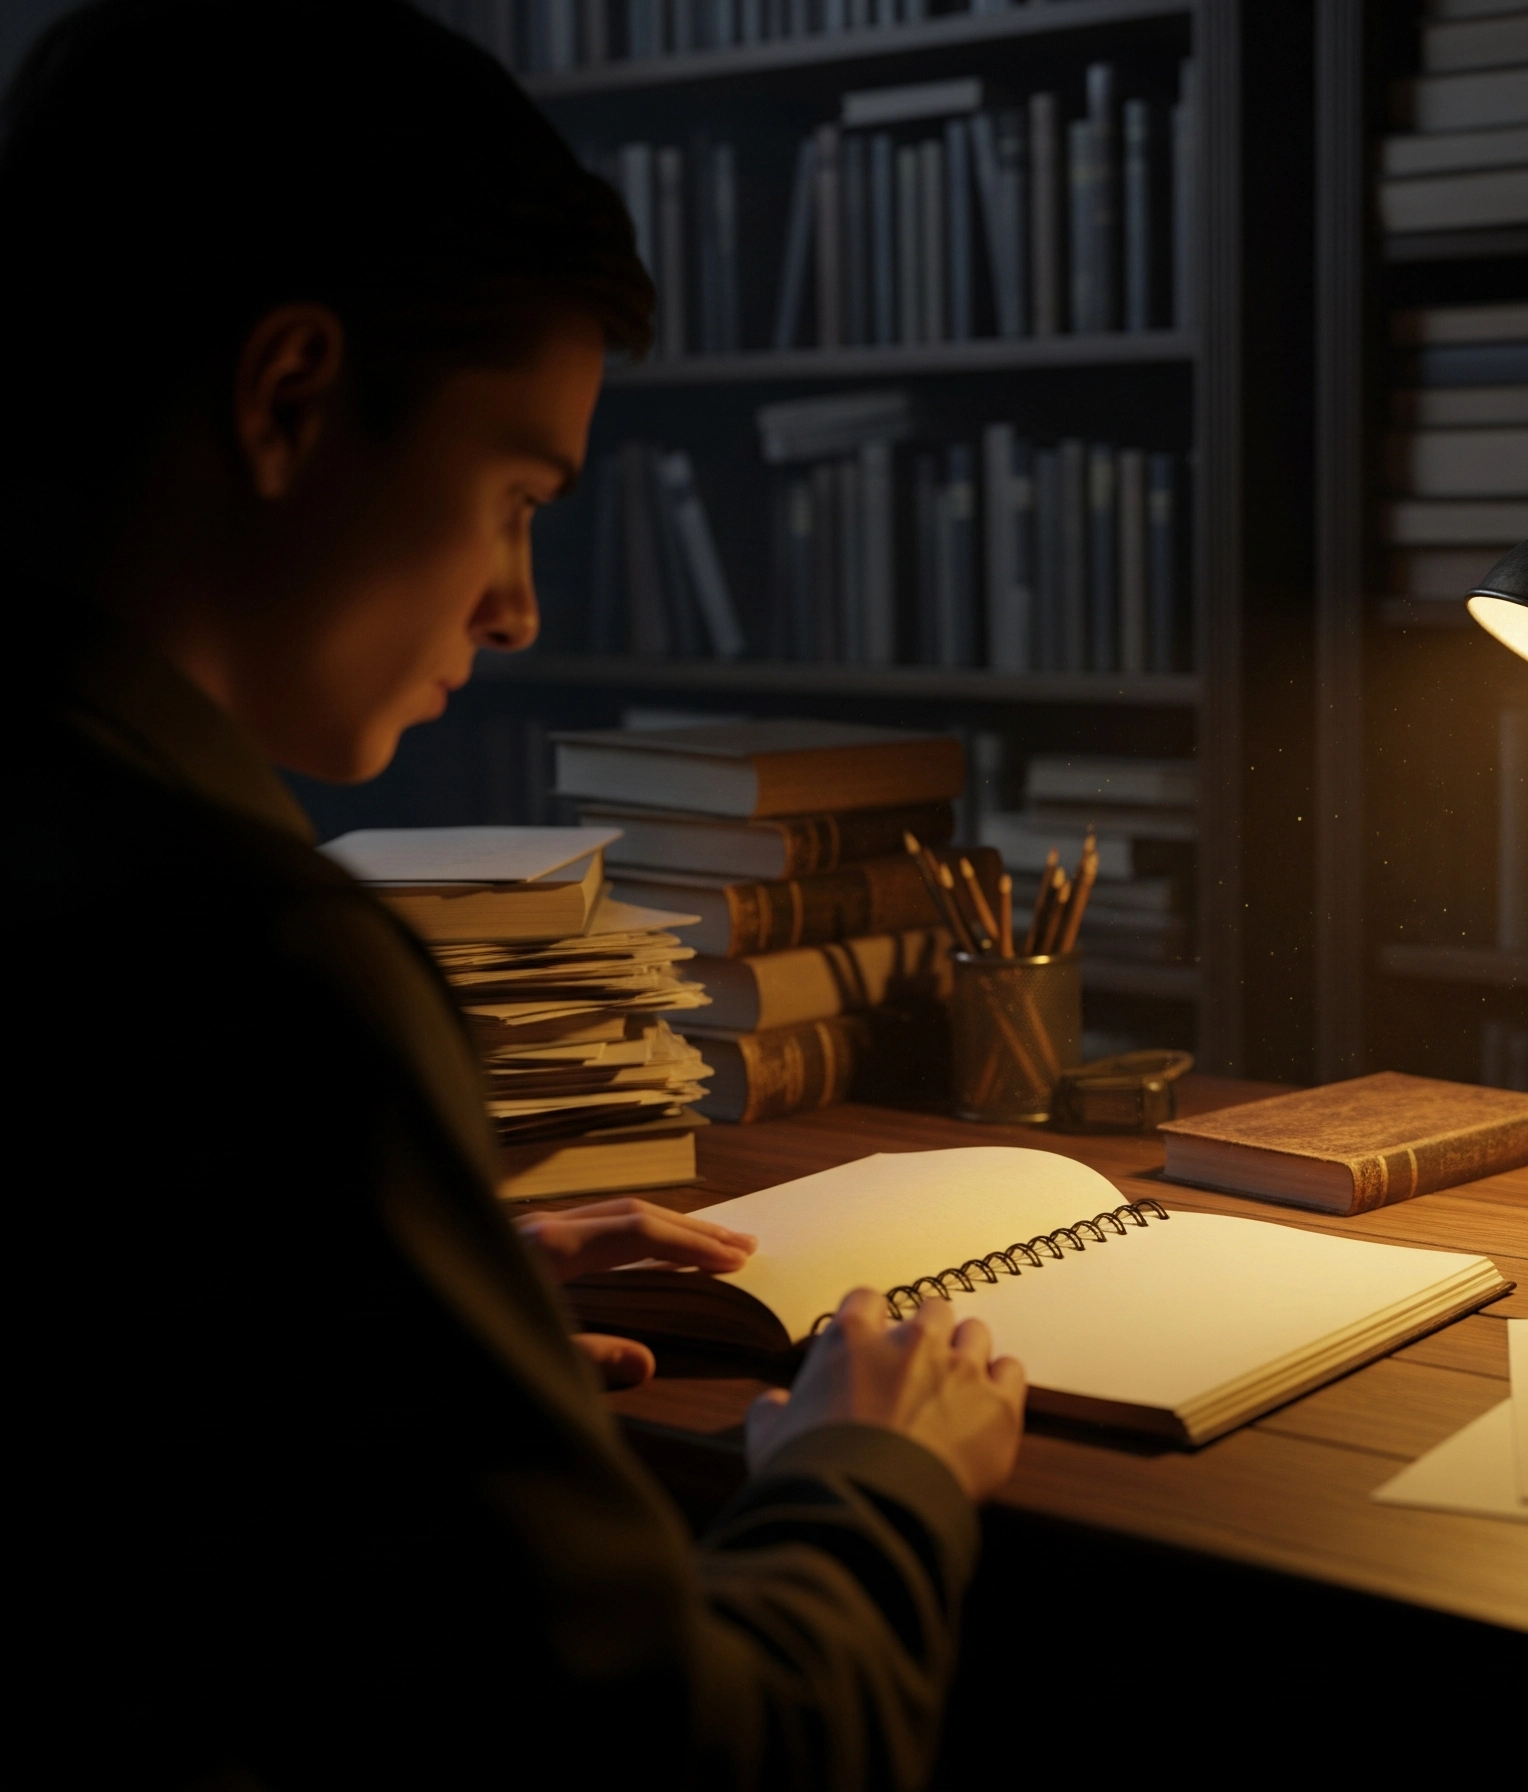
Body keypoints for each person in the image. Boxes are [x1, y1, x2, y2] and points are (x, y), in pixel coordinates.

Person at [5, 3, 1026, 1786]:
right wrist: (878, 1471)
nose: (518, 609)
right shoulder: (257, 967)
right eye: (514, 496)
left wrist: (392, 1296)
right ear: (289, 396)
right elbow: (698, 1754)